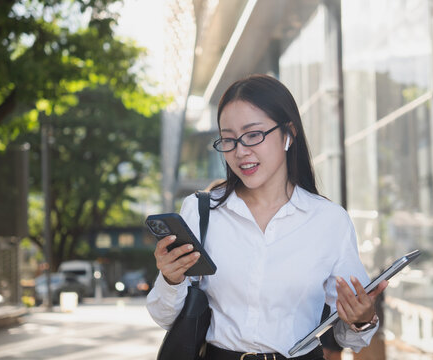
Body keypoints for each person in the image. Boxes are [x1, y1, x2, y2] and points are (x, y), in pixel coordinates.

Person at [147, 74, 388, 360]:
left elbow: (349, 337)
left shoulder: (329, 221)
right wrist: (170, 280)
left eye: (253, 135)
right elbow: (165, 318)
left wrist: (362, 317)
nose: (240, 151)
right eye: (228, 139)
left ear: (288, 133)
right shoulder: (202, 212)